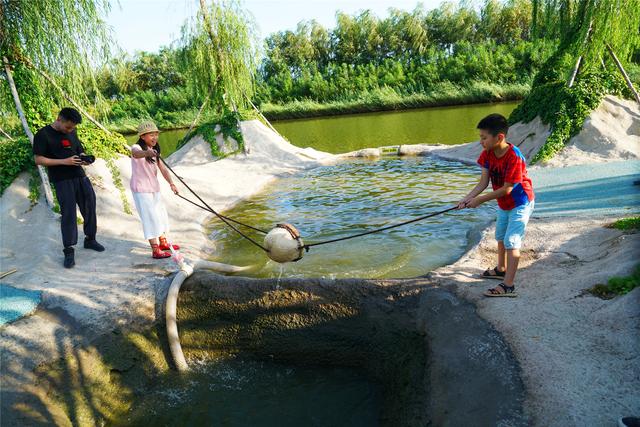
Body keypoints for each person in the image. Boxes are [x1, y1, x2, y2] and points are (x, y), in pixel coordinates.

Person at [457, 113, 535, 297]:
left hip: (520, 202)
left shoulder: (514, 157)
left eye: (484, 138)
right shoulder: (487, 154)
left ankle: (508, 285)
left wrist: (479, 201)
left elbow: (507, 189)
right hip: (504, 203)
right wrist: (466, 198)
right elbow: (483, 182)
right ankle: (501, 268)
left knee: (511, 240)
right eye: (480, 138)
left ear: (499, 137)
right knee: (500, 235)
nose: (481, 142)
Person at [33, 107, 105, 269]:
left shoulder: (72, 132)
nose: (70, 130)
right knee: (68, 213)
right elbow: (38, 159)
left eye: (73, 128)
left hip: (79, 175)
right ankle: (69, 249)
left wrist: (84, 158)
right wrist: (64, 161)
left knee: (89, 205)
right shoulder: (43, 135)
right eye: (68, 127)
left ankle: (90, 239)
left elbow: (78, 150)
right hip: (61, 179)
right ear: (59, 119)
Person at [130, 120, 180, 259]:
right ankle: (155, 250)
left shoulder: (155, 149)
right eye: (151, 135)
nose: (154, 138)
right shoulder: (137, 147)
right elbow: (136, 154)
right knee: (149, 217)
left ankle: (163, 242)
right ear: (142, 136)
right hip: (141, 189)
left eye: (156, 134)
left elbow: (162, 168)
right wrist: (147, 153)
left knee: (160, 213)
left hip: (153, 187)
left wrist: (171, 183)